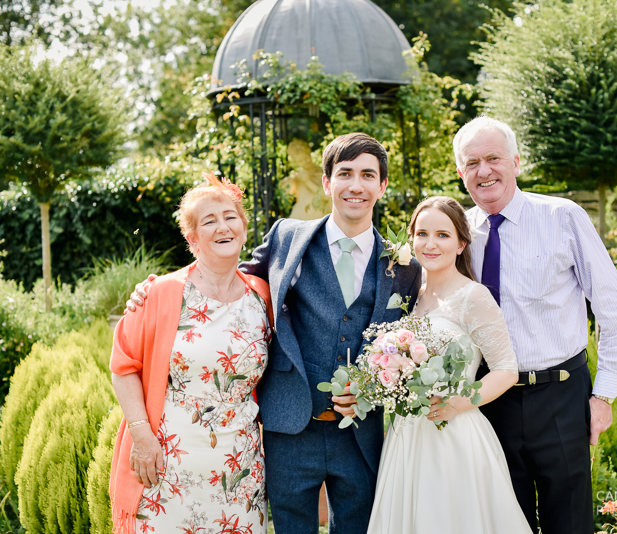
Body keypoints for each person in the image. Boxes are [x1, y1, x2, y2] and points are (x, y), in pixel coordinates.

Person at [127, 132, 422, 534]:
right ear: (326, 182)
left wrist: (371, 391)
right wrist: (161, 288)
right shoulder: (287, 238)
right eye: (345, 173)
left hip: (360, 433)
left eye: (368, 175)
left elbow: (404, 347)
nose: (356, 185)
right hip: (289, 427)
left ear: (382, 185)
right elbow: (229, 274)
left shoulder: (404, 267)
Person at [455, 116, 617, 534]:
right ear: (461, 173)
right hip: (489, 402)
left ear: (516, 161)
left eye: (494, 158)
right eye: (472, 163)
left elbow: (616, 312)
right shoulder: (458, 233)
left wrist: (603, 395)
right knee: (502, 522)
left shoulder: (562, 217)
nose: (484, 171)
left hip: (560, 396)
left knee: (570, 523)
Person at [108, 173, 274, 534]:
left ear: (244, 229)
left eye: (230, 217)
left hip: (240, 469)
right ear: (192, 238)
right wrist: (141, 437)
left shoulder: (262, 296)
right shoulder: (161, 293)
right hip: (168, 464)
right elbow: (123, 367)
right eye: (209, 221)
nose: (223, 226)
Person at [367, 196, 533, 534]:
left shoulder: (474, 297)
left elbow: (506, 369)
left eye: (443, 235)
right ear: (411, 239)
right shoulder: (413, 295)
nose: (431, 243)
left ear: (461, 243)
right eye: (422, 233)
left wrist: (460, 402)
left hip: (453, 434)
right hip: (407, 435)